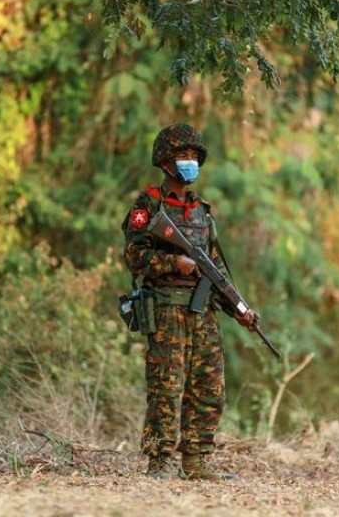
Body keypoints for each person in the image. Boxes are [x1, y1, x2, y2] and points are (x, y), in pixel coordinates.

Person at [122, 123, 259, 481]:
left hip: (202, 311)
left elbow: (216, 273)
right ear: (165, 161)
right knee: (166, 386)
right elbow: (135, 256)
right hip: (166, 309)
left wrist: (240, 310)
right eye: (183, 156)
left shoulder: (202, 209)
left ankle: (196, 460)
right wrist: (174, 263)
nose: (189, 162)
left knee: (208, 385)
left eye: (194, 157)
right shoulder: (147, 204)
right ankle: (161, 461)